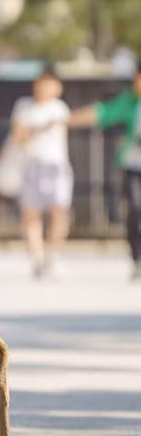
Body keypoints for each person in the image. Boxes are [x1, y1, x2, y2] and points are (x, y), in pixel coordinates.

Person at [68, 64, 141, 281]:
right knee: (135, 208)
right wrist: (66, 119)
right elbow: (102, 112)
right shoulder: (130, 101)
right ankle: (137, 258)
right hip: (133, 163)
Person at [9, 68, 72, 279]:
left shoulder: (60, 108)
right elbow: (18, 138)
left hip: (57, 166)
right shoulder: (24, 106)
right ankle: (36, 258)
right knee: (31, 214)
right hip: (32, 164)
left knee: (60, 212)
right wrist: (38, 129)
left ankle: (52, 256)